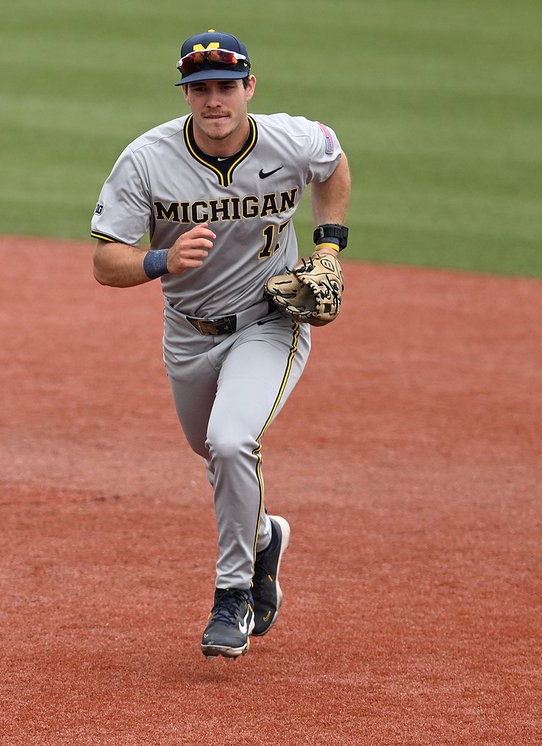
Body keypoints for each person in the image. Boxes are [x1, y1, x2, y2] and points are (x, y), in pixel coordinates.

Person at [90, 29, 351, 659]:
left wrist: (328, 245)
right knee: (215, 455)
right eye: (200, 89)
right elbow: (105, 262)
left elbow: (333, 162)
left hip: (270, 321)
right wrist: (162, 259)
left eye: (226, 87)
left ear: (249, 88)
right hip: (188, 334)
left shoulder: (290, 139)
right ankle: (262, 537)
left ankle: (233, 594)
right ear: (185, 94)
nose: (214, 100)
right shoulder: (147, 160)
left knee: (233, 441)